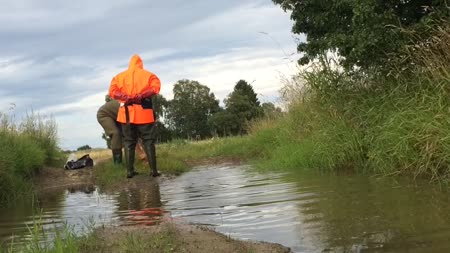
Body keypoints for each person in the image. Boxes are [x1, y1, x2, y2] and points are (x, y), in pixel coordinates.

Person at [109, 54, 161, 178]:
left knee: (128, 142)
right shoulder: (149, 75)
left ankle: (129, 172)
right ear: (141, 64)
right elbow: (156, 89)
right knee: (148, 141)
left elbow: (112, 92)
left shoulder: (118, 77)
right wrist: (141, 95)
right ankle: (153, 171)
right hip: (145, 115)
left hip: (126, 115)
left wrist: (125, 97)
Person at [96, 99, 123, 164]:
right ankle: (117, 163)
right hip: (104, 114)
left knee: (128, 133)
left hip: (116, 116)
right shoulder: (127, 107)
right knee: (115, 133)